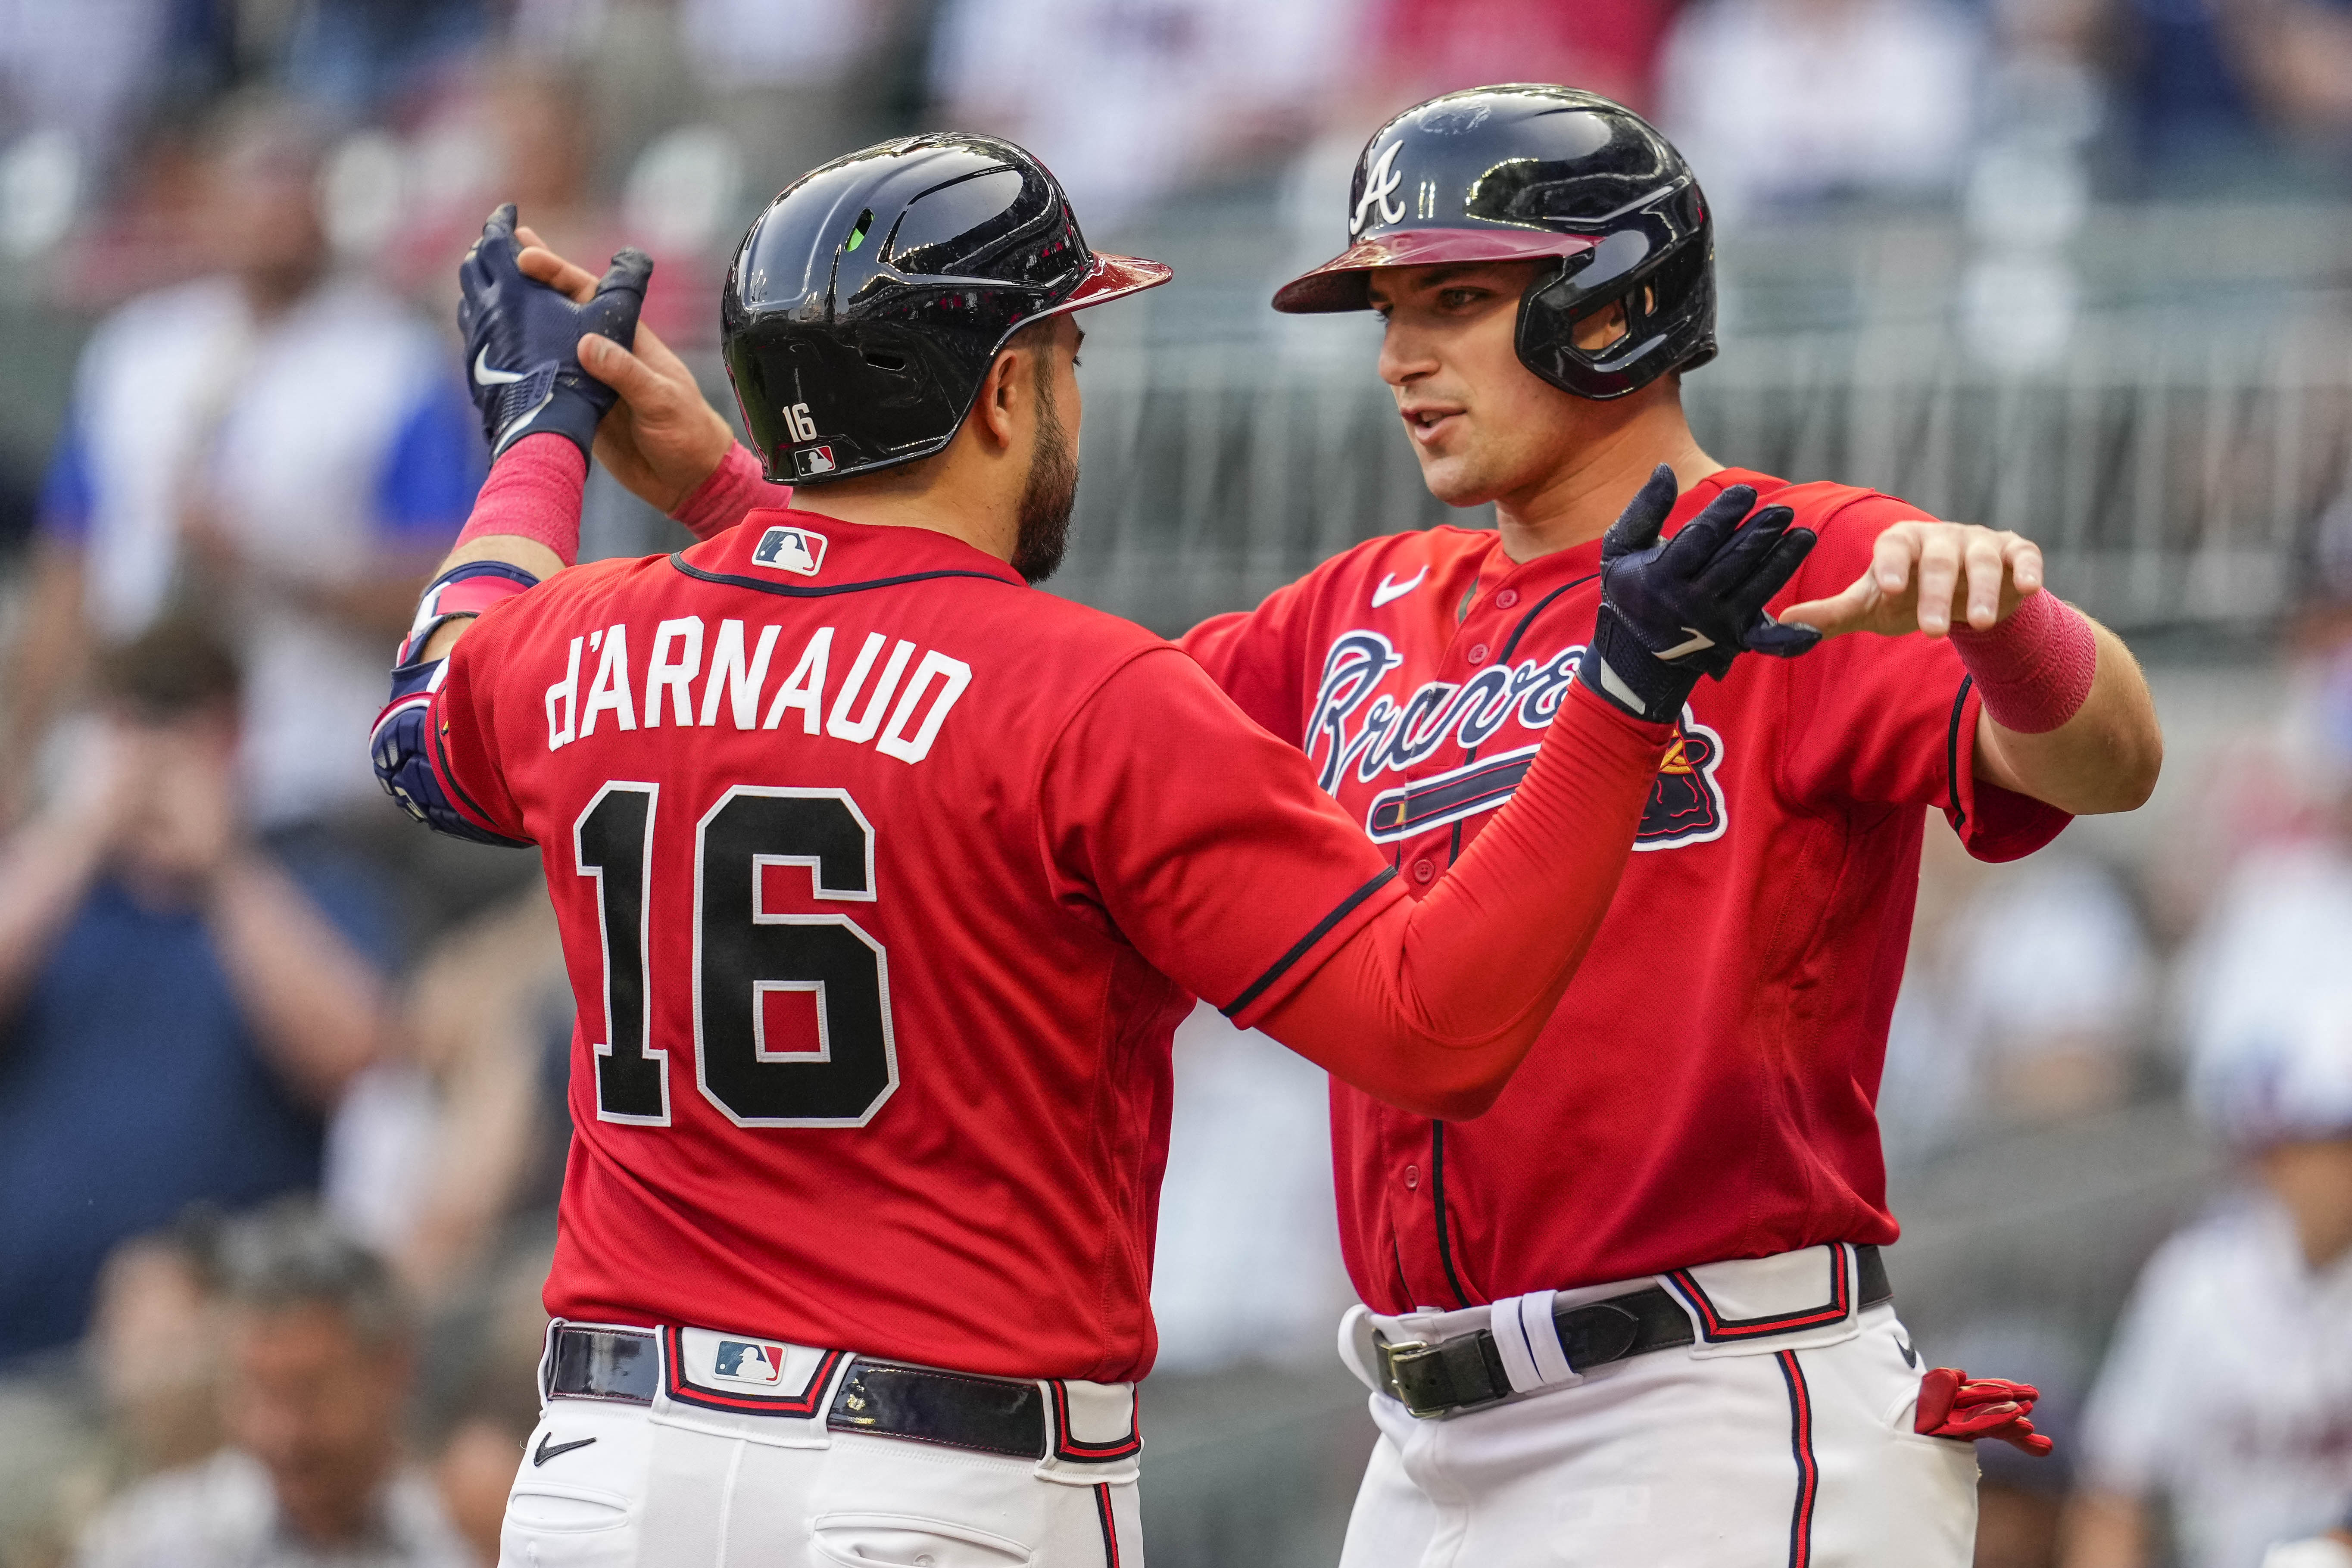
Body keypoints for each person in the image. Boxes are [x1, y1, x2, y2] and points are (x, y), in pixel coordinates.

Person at [541, 88, 2167, 1565]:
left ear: (1617, 297)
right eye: (1390, 308)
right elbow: (1005, 724)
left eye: (1454, 300)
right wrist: (744, 502)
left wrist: (2009, 627)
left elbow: (2110, 759)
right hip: (1417, 1435)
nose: (1399, 353)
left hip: (1705, 1401)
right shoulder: (1361, 607)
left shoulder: (1793, 554)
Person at [372, 129, 1821, 1563]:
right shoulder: (1089, 694)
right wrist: (1620, 696)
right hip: (935, 1477)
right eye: (1064, 350)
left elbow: (427, 718)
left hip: (609, 1472)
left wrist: (539, 435)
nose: (1074, 385)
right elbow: (1429, 1027)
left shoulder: (587, 632)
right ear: (1003, 387)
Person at [5, 93, 481, 830]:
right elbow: (71, 562)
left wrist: (276, 565)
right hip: (120, 764)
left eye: (293, 181)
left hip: (308, 765)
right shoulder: (135, 350)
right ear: (207, 196)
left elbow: (446, 586)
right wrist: (21, 745)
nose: (274, 206)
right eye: (255, 180)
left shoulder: (392, 363)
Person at [0, 617, 395, 1364]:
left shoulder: (310, 883)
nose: (154, 754)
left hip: (228, 1358)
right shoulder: (47, 885)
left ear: (234, 736)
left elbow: (353, 1055)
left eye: (182, 722)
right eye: (131, 720)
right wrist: (82, 831)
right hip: (21, 1361)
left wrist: (223, 868)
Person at [2062, 830, 2352, 1568]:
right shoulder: (2195, 1279)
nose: (2332, 1166)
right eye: (2321, 1140)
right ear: (2274, 1150)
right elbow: (2111, 1492)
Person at [75, 1203, 471, 1568]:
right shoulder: (145, 1544)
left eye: (307, 1392)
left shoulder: (470, 1531)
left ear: (393, 1368)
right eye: (257, 1391)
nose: (282, 1434)